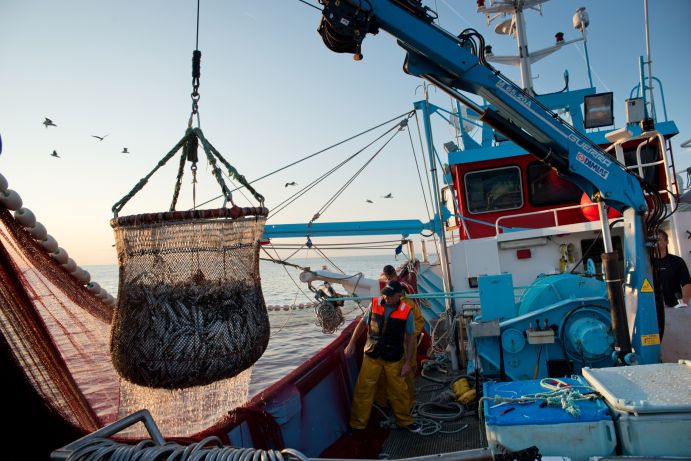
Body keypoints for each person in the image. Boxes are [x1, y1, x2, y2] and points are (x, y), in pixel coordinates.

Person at [344, 281, 420, 433]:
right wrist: (351, 343)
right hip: (372, 354)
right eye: (385, 293)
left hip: (394, 357)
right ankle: (357, 425)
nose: (385, 296)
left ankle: (404, 421)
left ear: (398, 296)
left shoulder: (407, 311)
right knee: (363, 389)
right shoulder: (374, 304)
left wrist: (407, 362)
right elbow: (362, 324)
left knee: (399, 391)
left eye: (389, 295)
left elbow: (410, 338)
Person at [375, 264, 425, 411]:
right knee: (390, 377)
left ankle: (408, 405)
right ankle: (389, 404)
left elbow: (419, 322)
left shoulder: (408, 306)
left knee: (407, 375)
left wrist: (408, 336)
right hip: (390, 349)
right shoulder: (381, 305)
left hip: (405, 346)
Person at [652, 229, 691, 339]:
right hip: (654, 311)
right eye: (653, 240)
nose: (656, 242)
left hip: (675, 309)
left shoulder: (677, 261)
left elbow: (687, 283)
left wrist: (685, 301)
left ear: (666, 242)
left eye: (658, 239)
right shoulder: (647, 263)